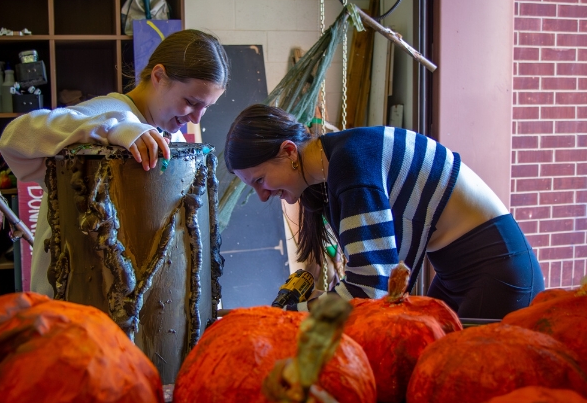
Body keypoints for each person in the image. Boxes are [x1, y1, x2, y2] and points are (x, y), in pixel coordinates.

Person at [224, 104, 544, 319]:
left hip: (496, 270)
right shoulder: (335, 162)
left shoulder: (350, 163)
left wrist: (298, 314)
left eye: (260, 180)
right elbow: (375, 281)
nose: (263, 196)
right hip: (458, 272)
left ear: (289, 151)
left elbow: (370, 289)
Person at [0, 29, 229, 297]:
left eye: (206, 107)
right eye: (191, 102)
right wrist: (112, 130)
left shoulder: (172, 137)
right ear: (158, 76)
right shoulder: (109, 113)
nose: (196, 119)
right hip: (72, 303)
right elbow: (14, 136)